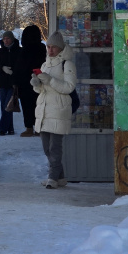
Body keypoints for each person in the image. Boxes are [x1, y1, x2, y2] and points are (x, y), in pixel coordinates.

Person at [30, 31, 76, 189]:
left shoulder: (67, 64)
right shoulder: (45, 64)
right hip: (44, 111)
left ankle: (52, 177)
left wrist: (50, 80)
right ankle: (60, 177)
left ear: (60, 48)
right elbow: (42, 90)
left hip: (58, 110)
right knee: (46, 148)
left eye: (54, 47)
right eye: (48, 47)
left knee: (54, 148)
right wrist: (37, 84)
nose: (50, 50)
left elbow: (69, 87)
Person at [13, 25, 46, 137]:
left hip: (24, 82)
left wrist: (15, 82)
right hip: (38, 80)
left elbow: (18, 67)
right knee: (38, 105)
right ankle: (38, 128)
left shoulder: (24, 50)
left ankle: (29, 128)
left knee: (27, 106)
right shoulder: (41, 48)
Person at [0, 30, 20, 136]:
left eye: (7, 38)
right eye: (4, 39)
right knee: (4, 106)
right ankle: (10, 128)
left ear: (12, 39)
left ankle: (2, 128)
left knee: (8, 105)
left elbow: (22, 67)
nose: (6, 41)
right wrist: (2, 68)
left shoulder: (18, 51)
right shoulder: (0, 52)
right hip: (2, 83)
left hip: (13, 83)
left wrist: (14, 72)